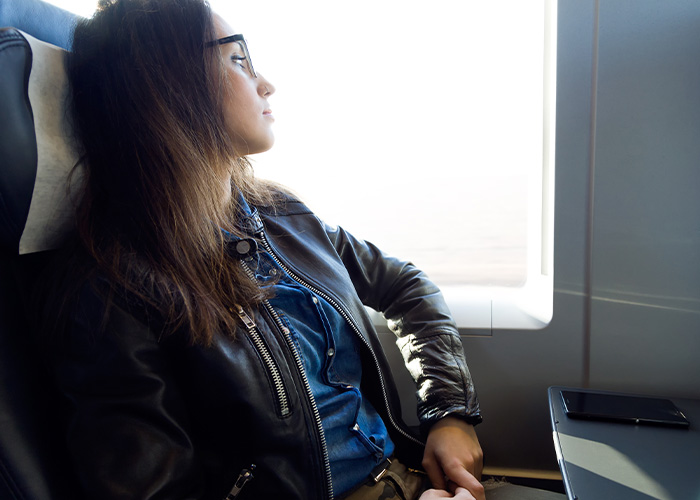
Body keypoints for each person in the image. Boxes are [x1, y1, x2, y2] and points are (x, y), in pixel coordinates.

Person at [45, 0, 483, 498]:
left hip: (408, 480)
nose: (266, 82)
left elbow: (406, 285)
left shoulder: (282, 215)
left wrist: (449, 415)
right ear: (167, 84)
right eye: (238, 59)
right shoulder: (112, 287)